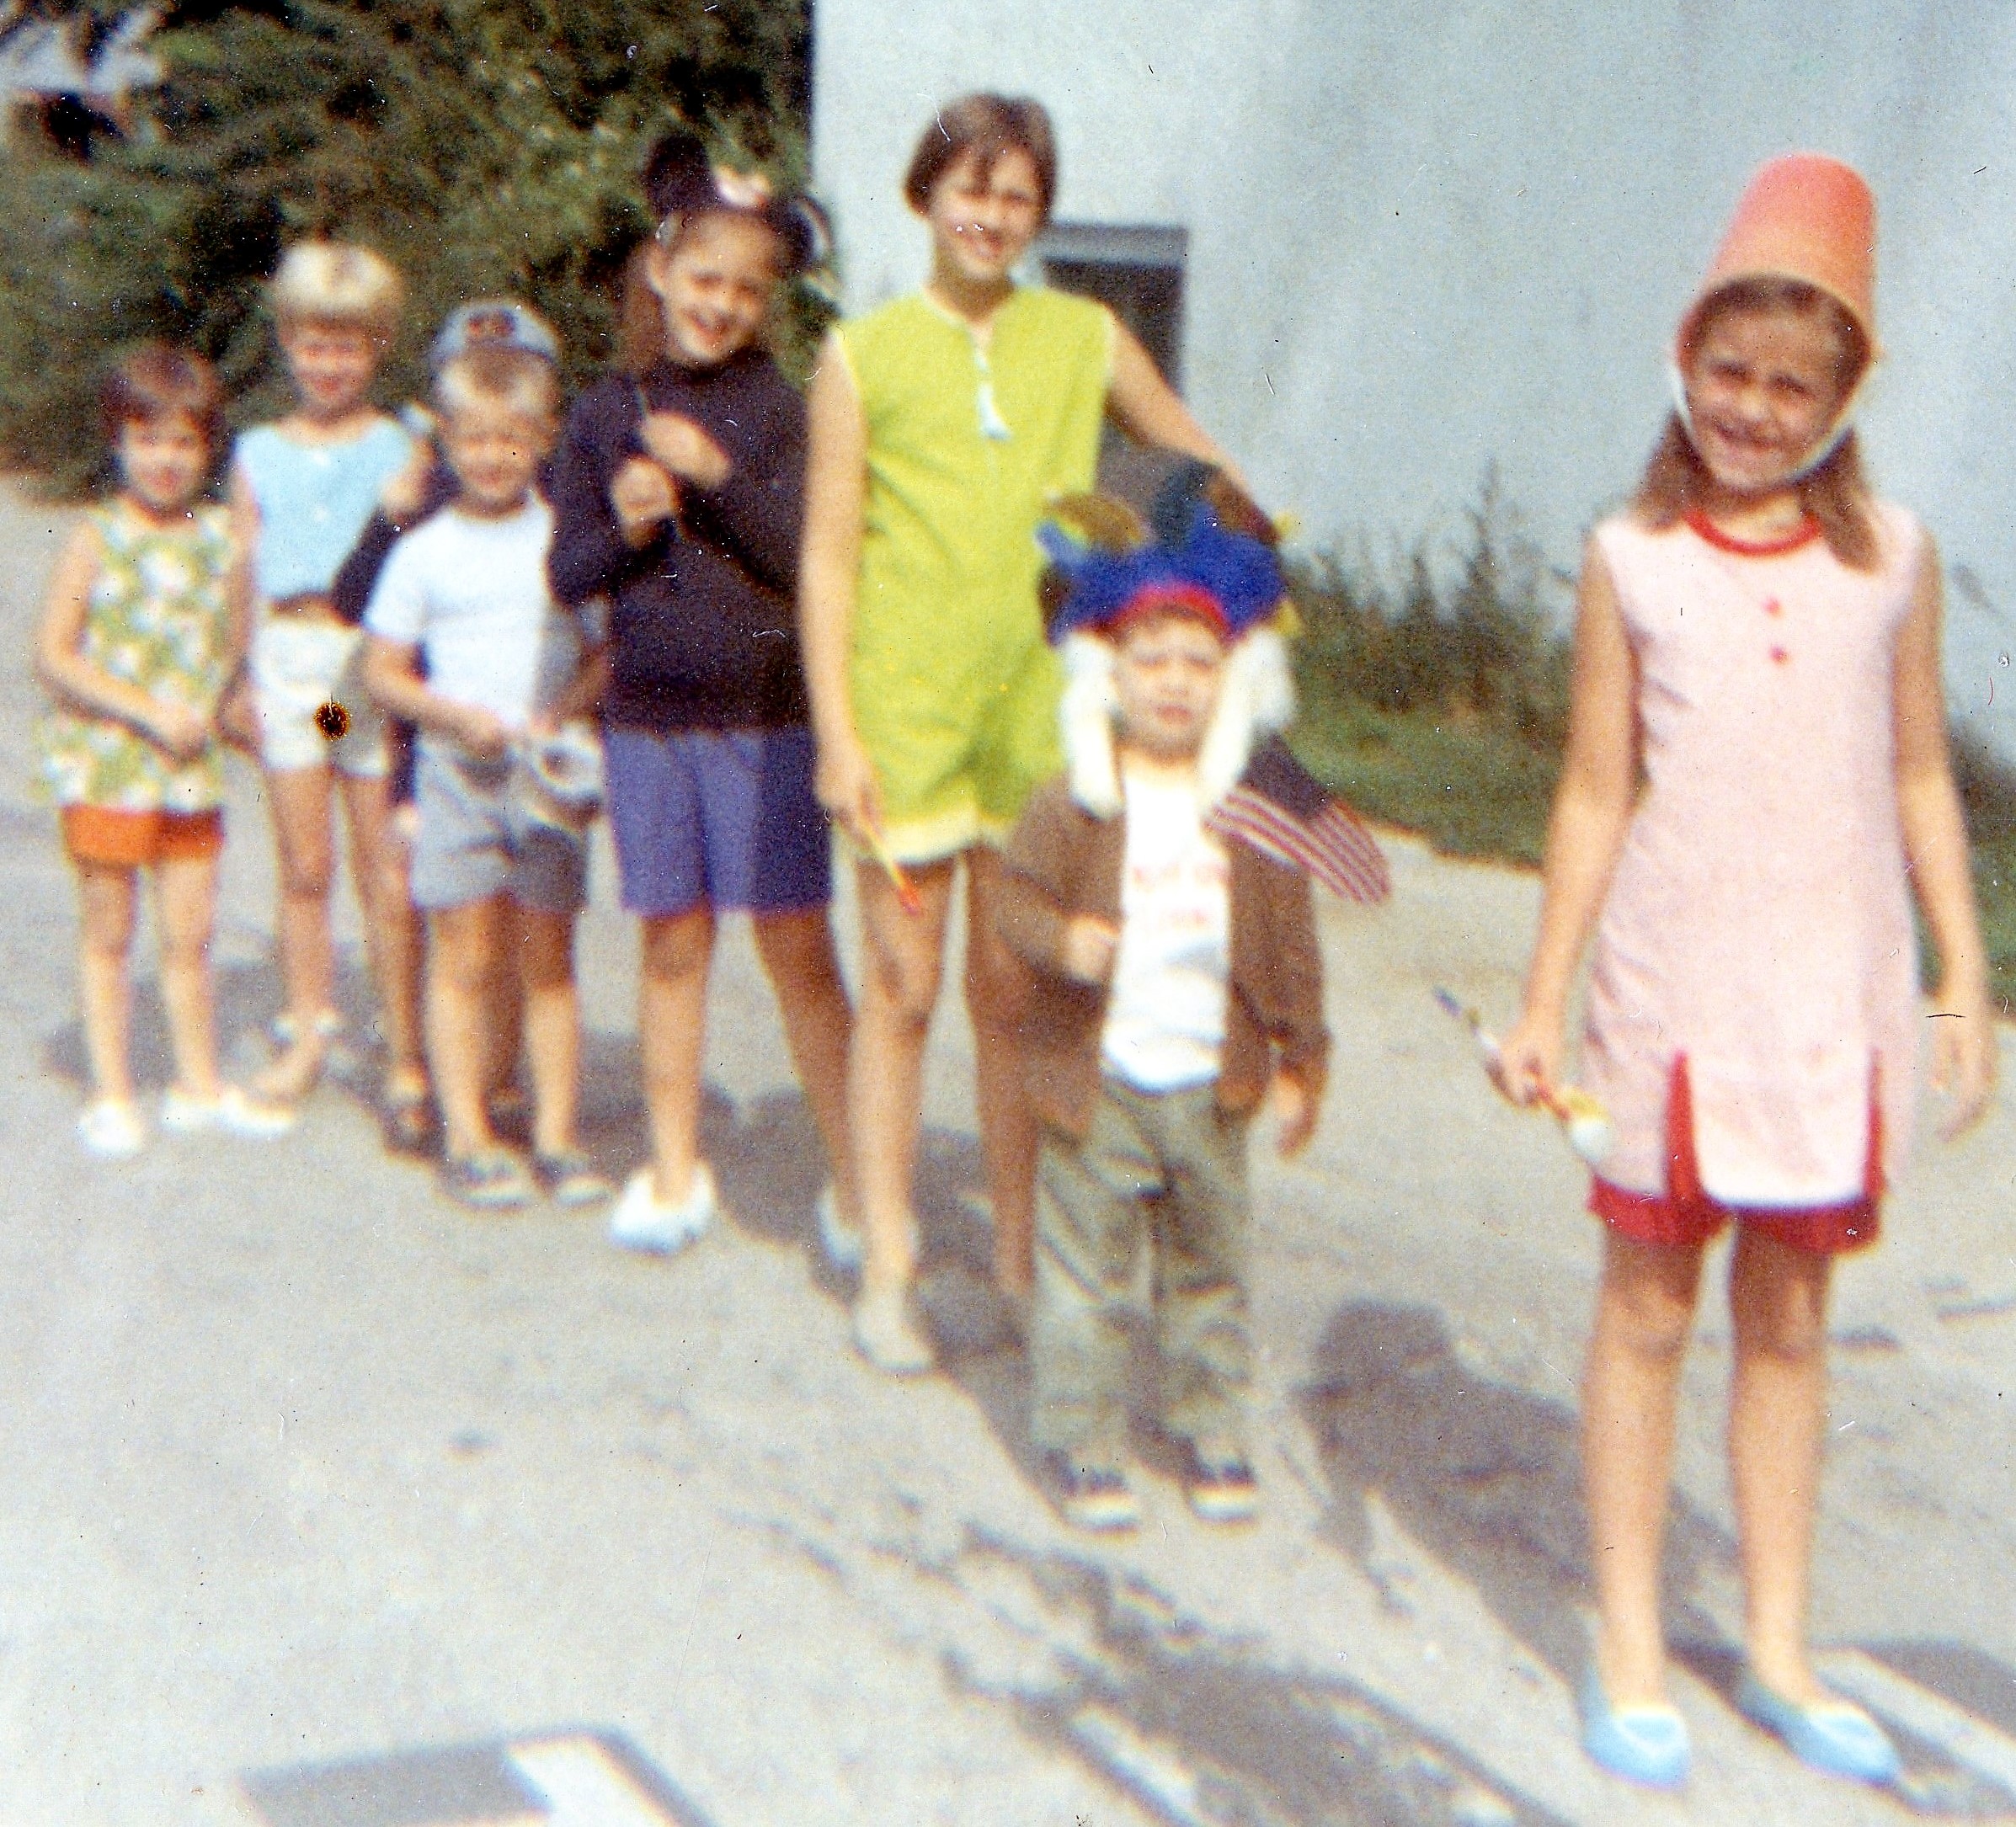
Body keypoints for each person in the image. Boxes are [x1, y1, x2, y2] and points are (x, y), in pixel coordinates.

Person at [1492, 155, 1997, 1790]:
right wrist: (1541, 996)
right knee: (1647, 1309)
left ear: (1843, 400)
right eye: (1729, 372)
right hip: (1674, 996)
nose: (1753, 412)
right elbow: (1593, 793)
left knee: (1788, 1321)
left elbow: (1919, 777)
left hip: (1830, 1001)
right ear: (1681, 360)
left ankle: (1777, 1645)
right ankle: (1630, 1641)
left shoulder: (1890, 559)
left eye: (1791, 386)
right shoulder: (1630, 557)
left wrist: (1960, 981)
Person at [799, 93, 1245, 1372]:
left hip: (1039, 709)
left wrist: (1247, 573)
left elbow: (1196, 459)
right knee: (901, 983)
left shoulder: (1083, 332)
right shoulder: (860, 355)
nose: (990, 216)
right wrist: (838, 732)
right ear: (925, 194)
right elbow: (827, 560)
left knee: (1011, 991)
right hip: (903, 706)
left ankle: (1012, 1260)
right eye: (970, 188)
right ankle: (890, 1265)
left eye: (1017, 196)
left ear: (1039, 214)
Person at [547, 132, 859, 1255]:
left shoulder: (781, 408)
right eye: (704, 278)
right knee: (671, 949)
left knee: (796, 950)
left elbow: (806, 556)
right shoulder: (603, 411)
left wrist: (715, 476)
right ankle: (675, 1169)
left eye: (746, 289)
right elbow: (566, 572)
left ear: (767, 300)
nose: (720, 305)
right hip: (647, 724)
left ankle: (859, 1184)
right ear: (661, 268)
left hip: (767, 721)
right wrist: (629, 529)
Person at [997, 491, 1325, 1529]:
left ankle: (1211, 1425)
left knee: (1209, 1270)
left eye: (1198, 662)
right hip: (1100, 1081)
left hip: (1211, 1087)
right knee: (1086, 1276)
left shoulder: (1250, 810)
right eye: (1151, 661)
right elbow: (1012, 898)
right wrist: (1063, 940)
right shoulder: (1074, 803)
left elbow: (1291, 950)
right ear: (1109, 674)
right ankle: (1084, 1441)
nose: (1175, 682)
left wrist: (1304, 1061)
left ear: (1234, 680)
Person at [362, 333, 609, 1210]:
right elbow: (380, 673)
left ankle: (557, 1135)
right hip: (457, 774)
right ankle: (468, 1134)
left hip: (545, 776)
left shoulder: (567, 546)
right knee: (462, 955)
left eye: (511, 438)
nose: (492, 456)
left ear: (543, 439)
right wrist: (450, 715)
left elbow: (605, 655)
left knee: (548, 958)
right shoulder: (423, 550)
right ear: (446, 443)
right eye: (473, 438)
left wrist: (564, 709)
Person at [34, 344, 294, 1153]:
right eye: (148, 440)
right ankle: (112, 1092)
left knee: (190, 935)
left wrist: (297, 722)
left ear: (207, 448)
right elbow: (54, 657)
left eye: (183, 442)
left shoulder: (221, 540)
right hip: (109, 768)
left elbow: (240, 658)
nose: (165, 459)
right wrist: (146, 711)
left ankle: (197, 1079)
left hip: (189, 776)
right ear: (118, 441)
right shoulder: (97, 536)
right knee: (110, 933)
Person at [331, 301, 563, 1156]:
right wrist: (388, 518)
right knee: (404, 891)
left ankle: (495, 1072)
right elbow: (351, 605)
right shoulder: (423, 495)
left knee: (501, 915)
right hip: (400, 723)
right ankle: (408, 1064)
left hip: (506, 734)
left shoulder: (551, 500)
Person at [227, 242, 422, 1112]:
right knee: (305, 864)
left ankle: (408, 1048)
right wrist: (235, 678)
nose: (329, 364)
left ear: (376, 347)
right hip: (290, 668)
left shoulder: (401, 447)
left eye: (347, 345)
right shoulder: (257, 451)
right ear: (287, 342)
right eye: (313, 344)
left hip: (359, 675)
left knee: (382, 863)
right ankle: (309, 1030)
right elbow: (242, 568)